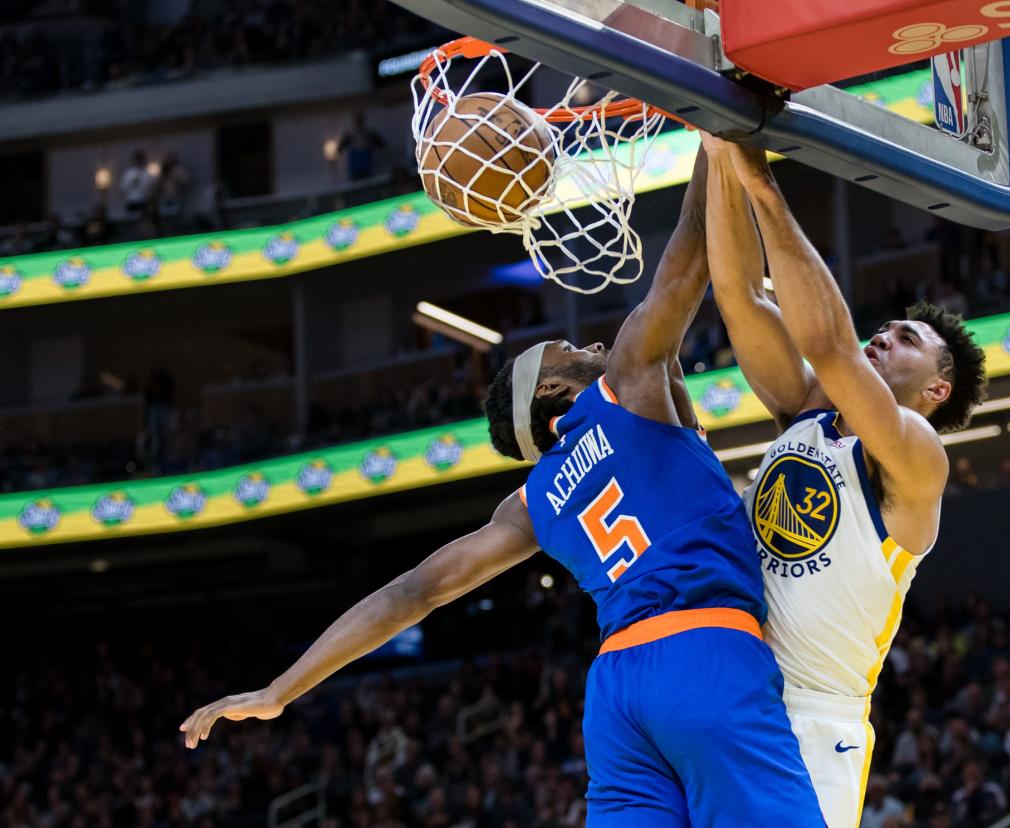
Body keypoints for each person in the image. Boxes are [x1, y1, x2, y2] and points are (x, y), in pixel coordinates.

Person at [180, 146, 826, 827]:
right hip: (706, 650)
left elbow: (413, 592)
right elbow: (692, 253)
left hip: (617, 690)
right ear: (552, 395)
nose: (585, 346)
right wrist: (714, 132)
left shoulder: (532, 502)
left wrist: (282, 690)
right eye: (565, 354)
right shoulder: (628, 384)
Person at [699, 135, 986, 826]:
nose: (885, 335)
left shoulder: (918, 457)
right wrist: (714, 146)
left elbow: (827, 343)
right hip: (725, 689)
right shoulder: (807, 414)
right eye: (887, 328)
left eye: (907, 340)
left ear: (937, 390)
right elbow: (739, 297)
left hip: (813, 719)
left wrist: (758, 176)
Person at [339, 111, 387, 181]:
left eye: (359, 119)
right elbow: (340, 148)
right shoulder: (349, 134)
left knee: (367, 180)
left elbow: (381, 144)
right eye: (357, 119)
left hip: (366, 161)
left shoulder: (368, 133)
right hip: (355, 163)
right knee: (356, 181)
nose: (358, 121)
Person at [119, 149, 156, 215]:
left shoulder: (147, 174)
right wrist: (132, 182)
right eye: (138, 159)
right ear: (134, 160)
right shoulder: (128, 174)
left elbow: (151, 189)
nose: (139, 161)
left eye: (141, 159)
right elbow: (123, 189)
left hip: (144, 202)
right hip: (131, 202)